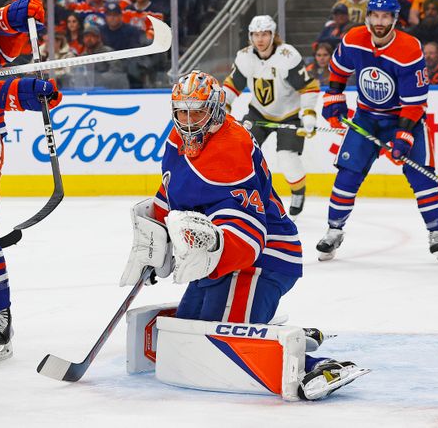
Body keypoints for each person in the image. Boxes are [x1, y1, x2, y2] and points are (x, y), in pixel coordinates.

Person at [119, 70, 367, 400]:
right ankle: (274, 329)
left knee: (220, 342)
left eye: (197, 111)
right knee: (189, 333)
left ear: (215, 109)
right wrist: (154, 243)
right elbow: (169, 191)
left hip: (263, 259)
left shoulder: (231, 148)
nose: (188, 120)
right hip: (217, 259)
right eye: (182, 111)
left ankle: (313, 364)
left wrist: (212, 246)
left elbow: (248, 237)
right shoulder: (178, 139)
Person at [320, 0, 438, 263]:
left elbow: (415, 103)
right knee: (347, 174)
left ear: (395, 19)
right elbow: (338, 70)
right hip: (366, 117)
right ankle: (334, 230)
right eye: (375, 15)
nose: (380, 21)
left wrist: (403, 137)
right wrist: (334, 97)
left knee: (422, 175)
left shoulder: (409, 48)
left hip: (403, 118)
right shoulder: (354, 39)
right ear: (368, 17)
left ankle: (437, 232)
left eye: (386, 16)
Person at [222, 16, 319, 219]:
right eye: (256, 35)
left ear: (273, 35)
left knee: (287, 159)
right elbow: (231, 86)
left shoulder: (288, 56)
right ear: (250, 36)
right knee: (241, 151)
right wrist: (223, 107)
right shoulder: (245, 57)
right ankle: (243, 195)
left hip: (289, 116)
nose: (260, 39)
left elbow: (308, 87)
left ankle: (298, 192)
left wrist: (309, 114)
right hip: (258, 114)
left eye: (265, 34)